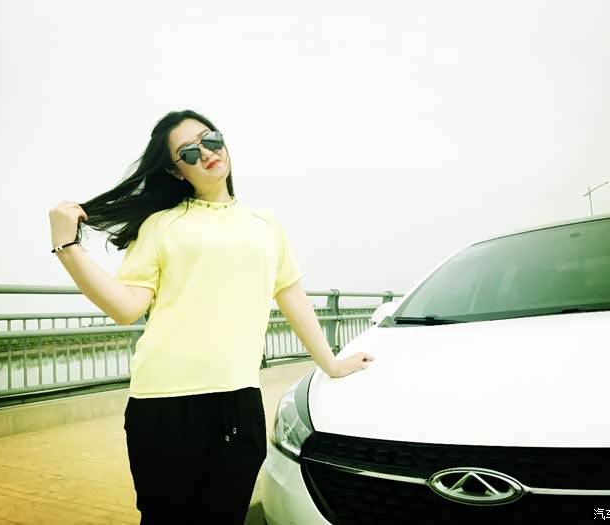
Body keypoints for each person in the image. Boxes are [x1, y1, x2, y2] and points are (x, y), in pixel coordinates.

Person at [48, 109, 374, 524]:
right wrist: (67, 247)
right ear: (176, 171)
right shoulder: (161, 225)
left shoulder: (265, 223)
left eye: (211, 139)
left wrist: (331, 364)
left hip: (239, 401)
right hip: (162, 405)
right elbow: (126, 308)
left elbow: (291, 294)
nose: (206, 153)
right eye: (188, 152)